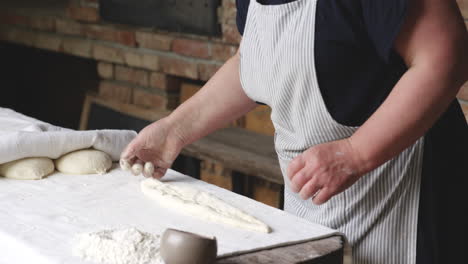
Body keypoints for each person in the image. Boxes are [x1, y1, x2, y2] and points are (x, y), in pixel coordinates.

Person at [121, 0, 468, 263]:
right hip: (315, 197)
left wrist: (356, 153)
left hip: (408, 202)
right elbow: (253, 62)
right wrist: (173, 130)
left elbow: (446, 58)